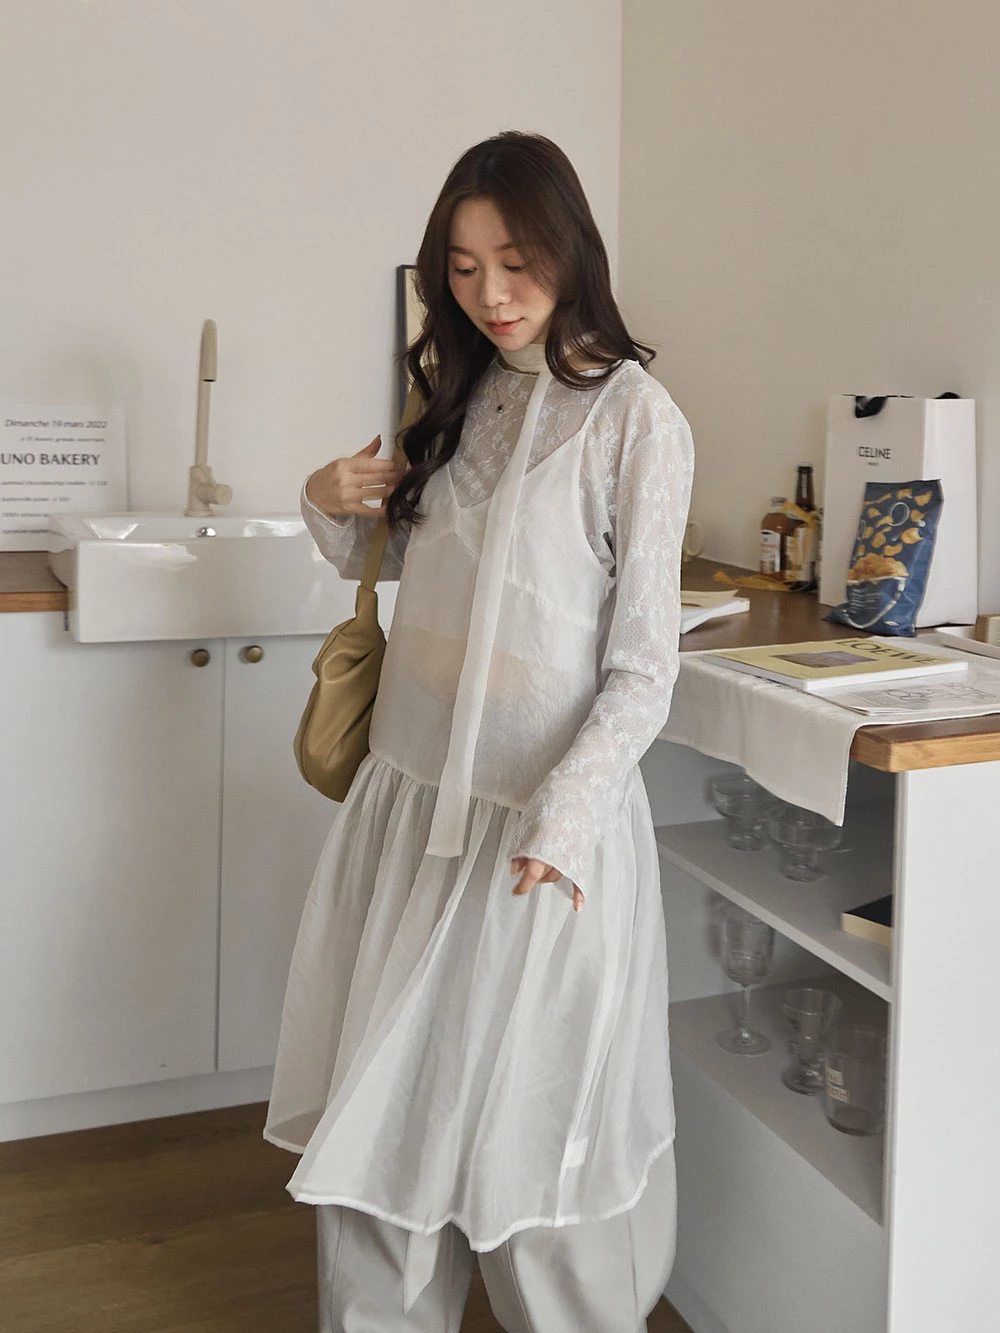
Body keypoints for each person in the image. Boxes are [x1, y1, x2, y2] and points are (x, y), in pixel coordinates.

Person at [264, 130, 694, 1333]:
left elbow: (642, 667)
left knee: (530, 1136)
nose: (490, 293)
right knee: (382, 1118)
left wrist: (565, 819)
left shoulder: (637, 420)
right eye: (460, 269)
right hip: (410, 808)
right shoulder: (453, 395)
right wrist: (325, 502)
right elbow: (399, 560)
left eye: (515, 261)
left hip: (537, 837)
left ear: (570, 250)